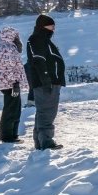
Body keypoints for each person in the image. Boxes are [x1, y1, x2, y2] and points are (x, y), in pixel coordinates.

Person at [25, 14, 66, 150]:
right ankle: (46, 142)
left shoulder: (43, 39)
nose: (54, 28)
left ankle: (40, 141)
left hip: (48, 82)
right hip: (45, 84)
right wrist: (46, 79)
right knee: (47, 112)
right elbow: (39, 60)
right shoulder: (37, 39)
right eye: (51, 25)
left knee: (44, 112)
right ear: (43, 26)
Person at [0, 25, 30, 143]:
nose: (18, 39)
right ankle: (7, 136)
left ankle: (12, 134)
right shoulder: (7, 48)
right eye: (16, 36)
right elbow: (9, 68)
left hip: (10, 83)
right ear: (11, 36)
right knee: (11, 109)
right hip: (10, 84)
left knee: (15, 109)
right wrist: (15, 82)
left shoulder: (7, 47)